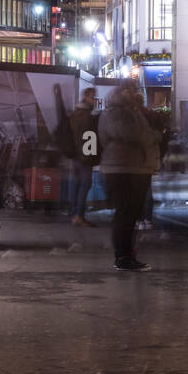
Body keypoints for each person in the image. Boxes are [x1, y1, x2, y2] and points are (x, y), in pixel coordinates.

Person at [97, 82, 159, 271]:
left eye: (134, 89)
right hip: (124, 169)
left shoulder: (129, 110)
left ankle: (126, 255)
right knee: (125, 214)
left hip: (133, 168)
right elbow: (129, 134)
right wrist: (155, 135)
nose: (132, 93)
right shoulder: (116, 112)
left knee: (129, 215)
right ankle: (123, 257)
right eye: (127, 89)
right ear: (119, 92)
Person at [68, 88, 98, 229]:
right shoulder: (86, 115)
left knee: (76, 184)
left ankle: (75, 214)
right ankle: (79, 215)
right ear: (85, 97)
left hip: (75, 155)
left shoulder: (75, 113)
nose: (94, 100)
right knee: (85, 184)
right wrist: (91, 156)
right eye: (93, 97)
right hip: (84, 156)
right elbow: (88, 137)